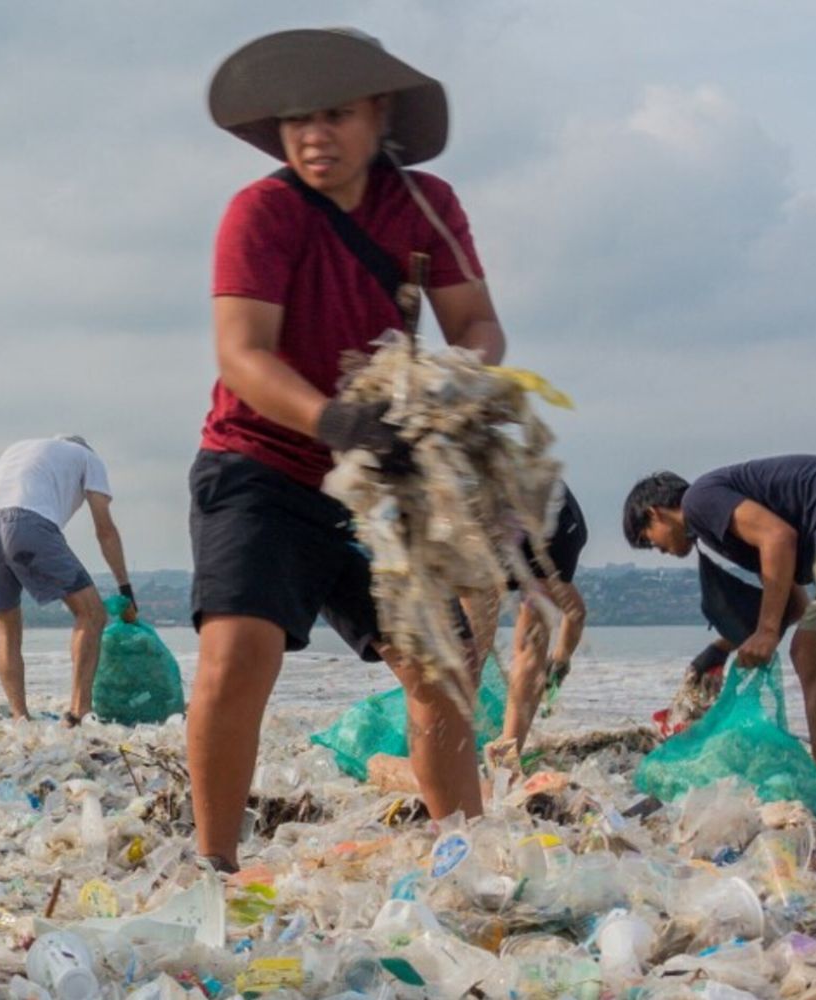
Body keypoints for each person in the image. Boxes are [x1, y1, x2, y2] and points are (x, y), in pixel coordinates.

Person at [191, 28, 507, 870]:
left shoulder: (426, 205)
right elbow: (243, 353)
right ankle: (213, 865)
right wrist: (336, 421)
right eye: (296, 119)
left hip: (380, 483)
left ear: (380, 114)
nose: (313, 135)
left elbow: (476, 325)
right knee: (238, 653)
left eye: (334, 113)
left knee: (439, 670)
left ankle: (462, 856)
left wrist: (442, 392)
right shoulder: (262, 211)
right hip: (259, 462)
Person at [625, 458, 816, 780]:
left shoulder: (698, 501)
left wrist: (765, 630)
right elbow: (794, 605)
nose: (658, 550)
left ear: (654, 512)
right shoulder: (725, 531)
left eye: (647, 539)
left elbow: (779, 537)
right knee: (809, 650)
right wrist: (722, 648)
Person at [0, 436, 134, 724]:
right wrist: (125, 588)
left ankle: (20, 717)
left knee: (5, 628)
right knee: (91, 614)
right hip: (29, 523)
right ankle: (79, 710)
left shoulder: (16, 450)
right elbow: (105, 529)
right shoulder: (89, 458)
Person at [467, 483, 590, 760]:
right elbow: (576, 613)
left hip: (544, 520)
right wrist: (560, 661)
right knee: (479, 646)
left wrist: (559, 661)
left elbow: (575, 613)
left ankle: (495, 752)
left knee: (484, 646)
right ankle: (498, 750)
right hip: (529, 514)